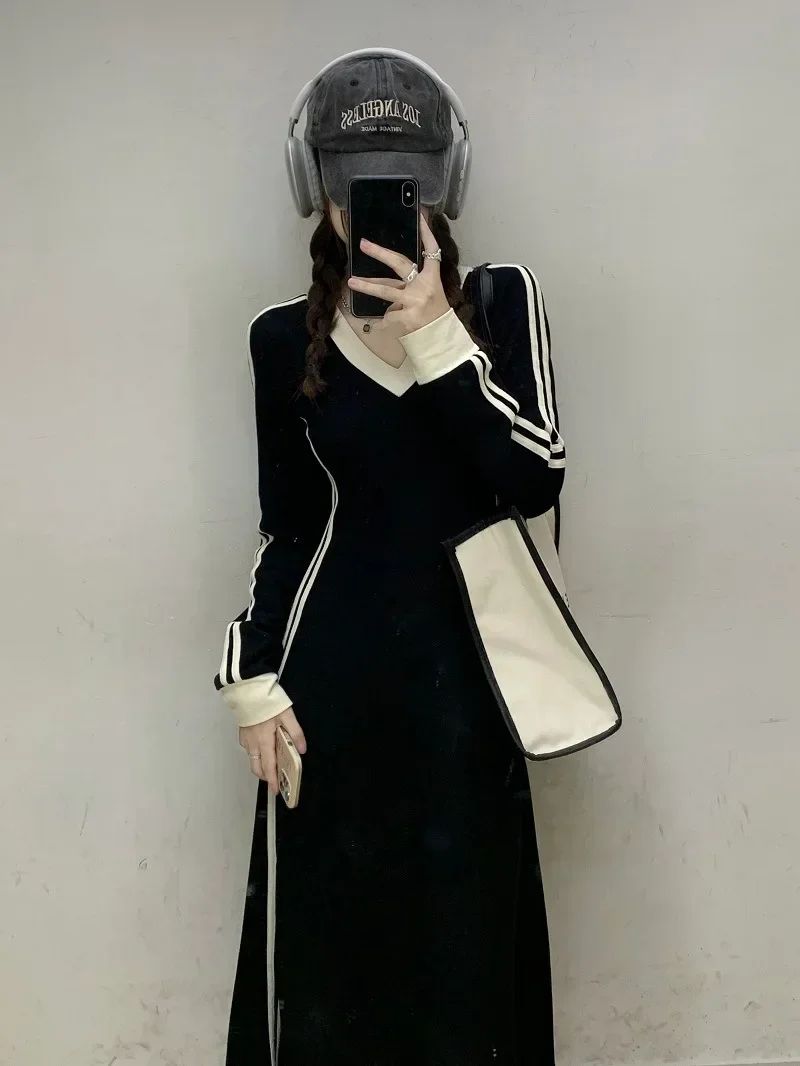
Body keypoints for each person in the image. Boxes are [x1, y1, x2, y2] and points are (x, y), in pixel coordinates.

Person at [216, 49, 565, 1066]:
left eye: (400, 184)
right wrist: (251, 678)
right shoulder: (280, 341)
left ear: (441, 185)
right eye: (350, 186)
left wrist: (439, 335)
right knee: (328, 964)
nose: (370, 207)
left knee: (464, 958)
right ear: (314, 188)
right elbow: (288, 527)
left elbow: (533, 475)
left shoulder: (499, 304)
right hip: (330, 692)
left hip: (469, 689)